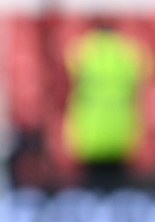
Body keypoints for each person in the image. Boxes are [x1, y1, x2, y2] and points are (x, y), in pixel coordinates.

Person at [63, 22, 152, 191]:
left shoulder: (83, 50)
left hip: (90, 135)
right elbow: (146, 68)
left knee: (92, 191)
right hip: (122, 134)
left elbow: (68, 62)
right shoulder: (129, 52)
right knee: (118, 190)